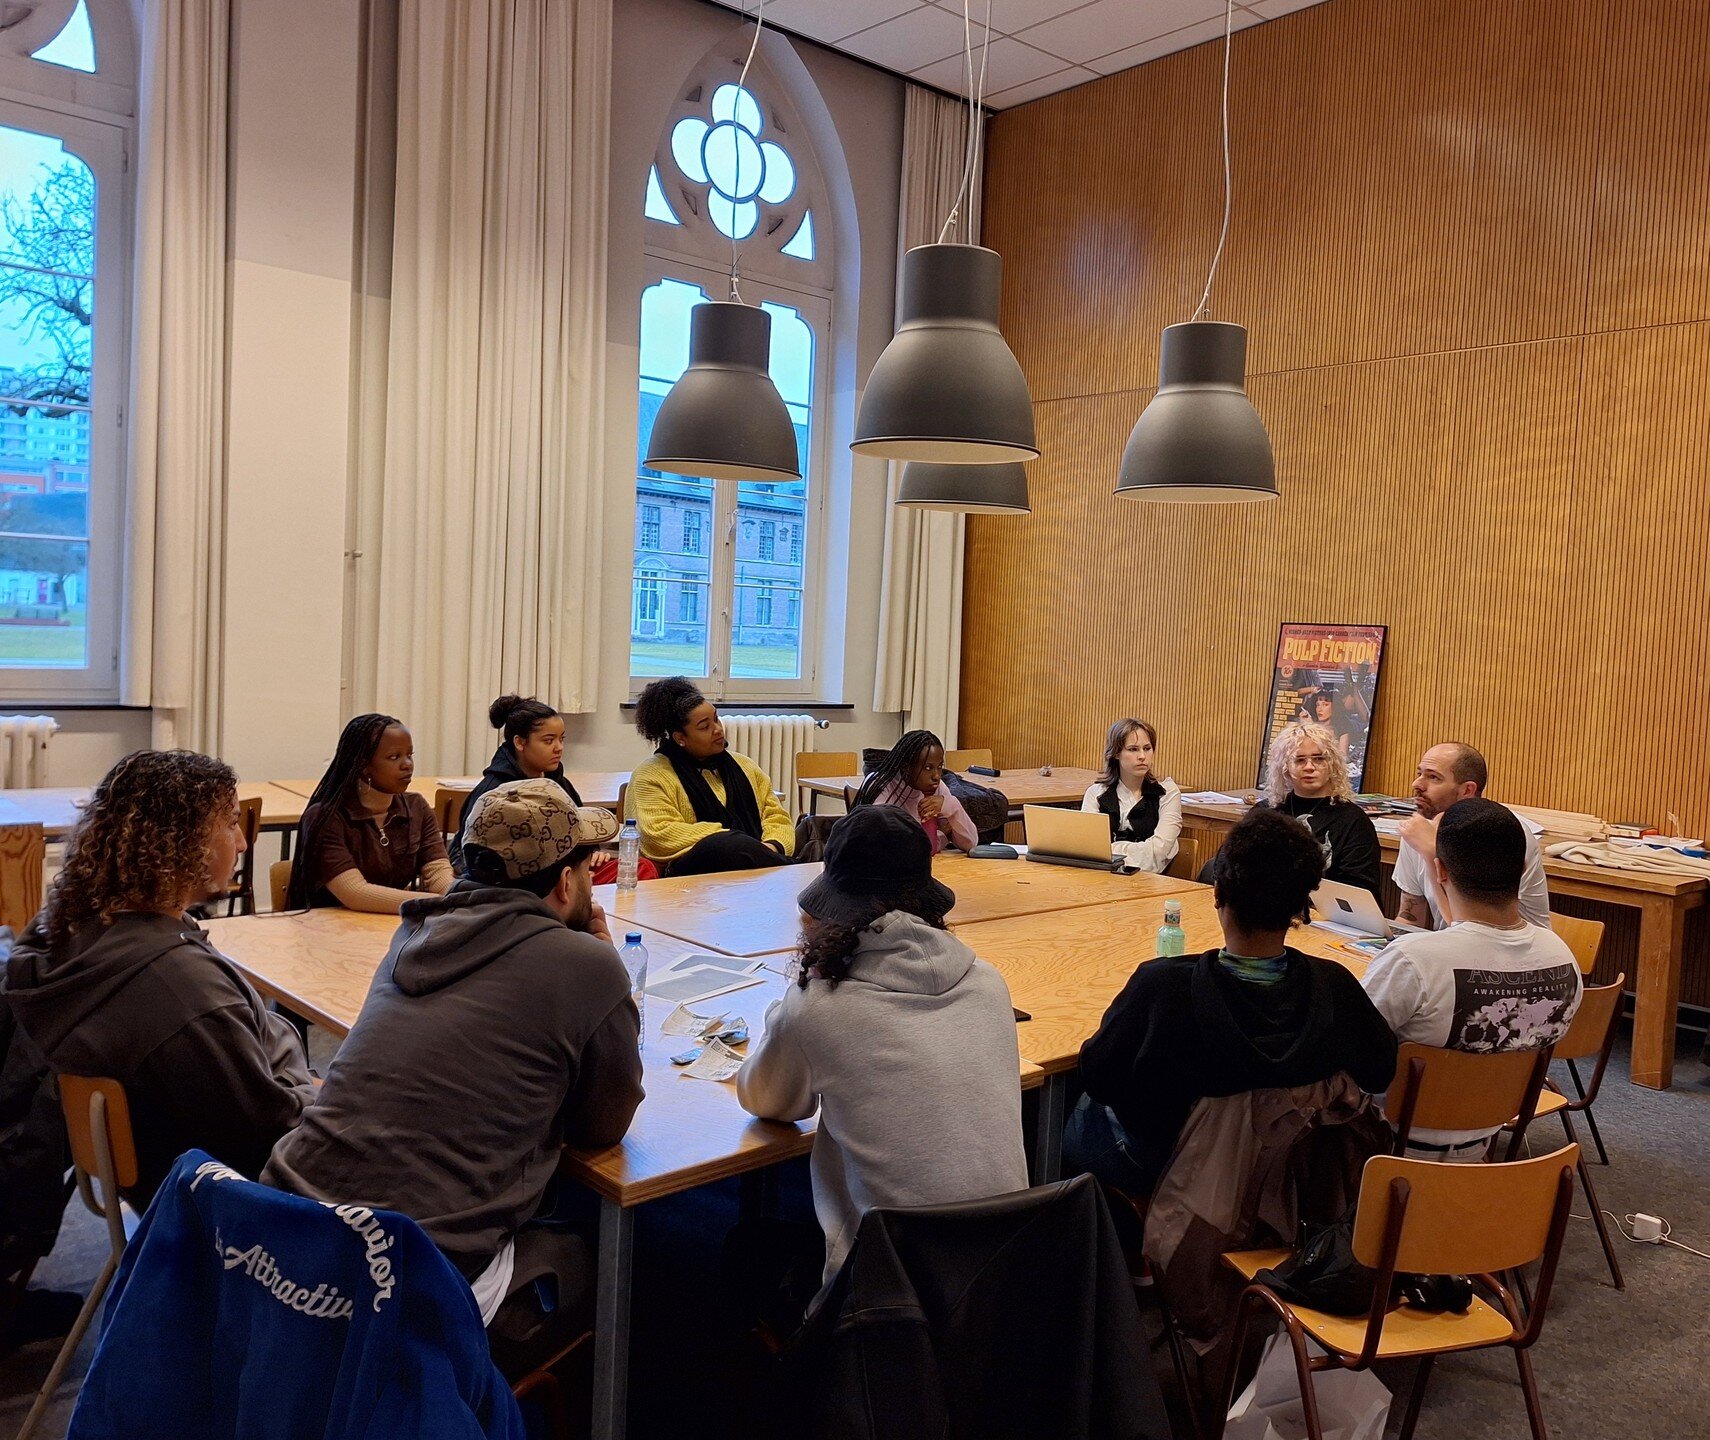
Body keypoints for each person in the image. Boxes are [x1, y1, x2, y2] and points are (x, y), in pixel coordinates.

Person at [266, 778, 644, 1367]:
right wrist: (605, 967)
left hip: (290, 1227)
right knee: (639, 1260)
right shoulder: (584, 962)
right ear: (567, 881)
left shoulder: (413, 932)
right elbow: (603, 1126)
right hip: (412, 1270)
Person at [1, 750, 314, 1206]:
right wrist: (313, 1091)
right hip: (213, 1196)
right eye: (229, 823)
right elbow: (267, 1133)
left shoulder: (64, 928)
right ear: (183, 841)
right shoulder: (182, 986)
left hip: (146, 1170)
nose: (243, 843)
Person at [737, 806, 1028, 1282]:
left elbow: (764, 1099)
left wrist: (787, 1005)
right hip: (1002, 1282)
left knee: (745, 1250)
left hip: (888, 1298)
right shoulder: (989, 983)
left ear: (829, 911)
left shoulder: (819, 1008)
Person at [1067, 807, 1398, 1192]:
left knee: (1073, 1109)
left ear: (1218, 893)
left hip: (1173, 1169)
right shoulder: (1335, 985)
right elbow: (1379, 1070)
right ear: (1301, 908)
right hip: (1291, 1175)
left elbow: (1099, 1076)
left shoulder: (1162, 987)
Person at [1361, 797, 1582, 1159]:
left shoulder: (1413, 959)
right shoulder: (1563, 959)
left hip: (1380, 1151)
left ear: (1442, 871)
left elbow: (1344, 1054)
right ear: (1524, 867)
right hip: (1488, 1151)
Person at [452, 693, 657, 886]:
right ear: (520, 742)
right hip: (527, 881)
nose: (558, 747)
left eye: (561, 739)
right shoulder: (495, 791)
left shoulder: (559, 783)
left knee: (641, 867)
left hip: (568, 872)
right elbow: (464, 854)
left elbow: (581, 831)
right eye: (548, 741)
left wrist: (592, 853)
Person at [625, 676, 794, 875]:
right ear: (680, 738)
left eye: (716, 718)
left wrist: (770, 847)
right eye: (705, 726)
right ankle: (795, 869)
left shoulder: (744, 765)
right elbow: (658, 834)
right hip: (686, 874)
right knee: (724, 846)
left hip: (758, 863)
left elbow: (775, 815)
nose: (718, 730)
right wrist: (738, 841)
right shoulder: (651, 775)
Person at [287, 712, 454, 913]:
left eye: (409, 755)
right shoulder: (325, 818)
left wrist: (455, 894)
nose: (407, 765)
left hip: (388, 925)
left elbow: (437, 871)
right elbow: (355, 893)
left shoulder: (417, 807)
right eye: (394, 757)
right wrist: (435, 902)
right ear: (363, 766)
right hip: (330, 929)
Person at [1394, 742, 1550, 930]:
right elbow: (1410, 917)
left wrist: (1431, 853)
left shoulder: (1500, 832)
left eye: (1433, 777)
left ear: (1467, 790)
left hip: (1508, 951)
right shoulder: (1418, 828)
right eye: (1420, 774)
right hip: (1456, 949)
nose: (1417, 784)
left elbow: (1475, 929)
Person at [1261, 720, 1381, 898]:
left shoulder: (1353, 821)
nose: (1309, 767)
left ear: (1332, 764)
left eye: (1319, 759)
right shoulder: (1265, 813)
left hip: (1325, 917)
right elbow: (1228, 867)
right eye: (1300, 760)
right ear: (1285, 768)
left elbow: (1359, 891)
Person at [1080, 718, 1182, 874]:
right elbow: (1090, 851)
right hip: (1101, 879)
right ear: (1116, 753)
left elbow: (1160, 850)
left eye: (1147, 748)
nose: (1142, 756)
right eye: (1133, 749)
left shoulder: (1167, 792)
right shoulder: (1096, 793)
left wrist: (1111, 850)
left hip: (1152, 882)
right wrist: (1142, 851)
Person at [851, 728, 977, 854]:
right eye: (928, 768)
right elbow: (887, 848)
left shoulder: (938, 787)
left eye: (939, 767)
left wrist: (952, 807)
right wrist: (943, 835)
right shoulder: (882, 786)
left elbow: (970, 844)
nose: (937, 776)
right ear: (907, 769)